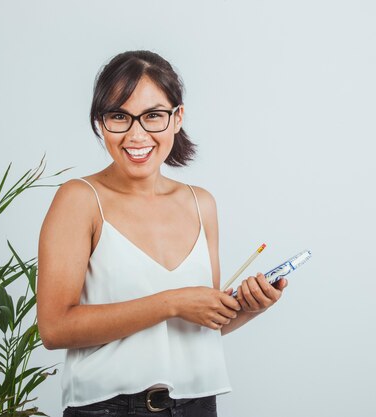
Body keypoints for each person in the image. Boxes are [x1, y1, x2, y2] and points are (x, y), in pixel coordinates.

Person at [37, 50, 288, 417]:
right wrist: (172, 302)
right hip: (108, 409)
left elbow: (200, 322)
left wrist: (248, 307)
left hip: (197, 406)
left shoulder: (201, 203)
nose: (136, 135)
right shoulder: (80, 199)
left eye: (153, 116)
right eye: (119, 116)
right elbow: (54, 328)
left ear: (177, 118)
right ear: (100, 122)